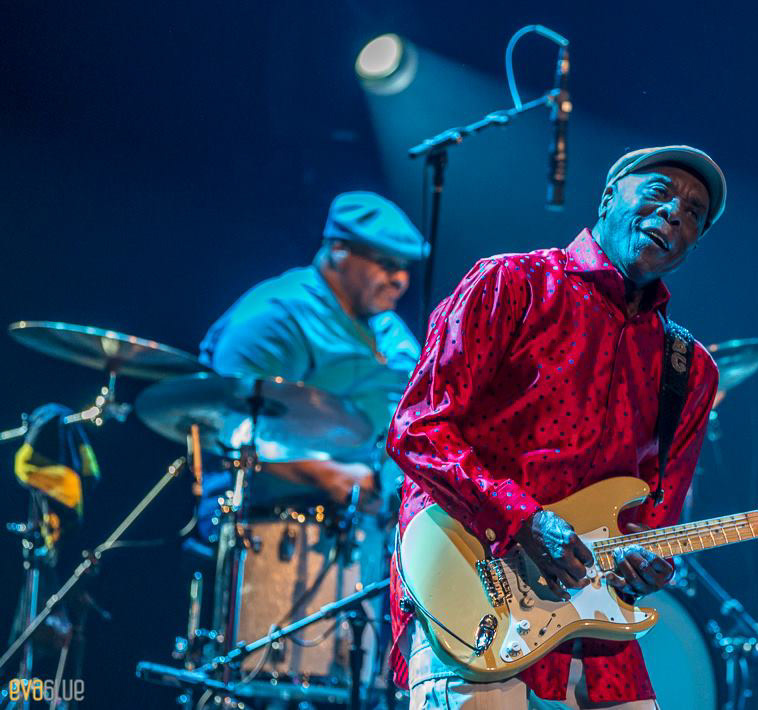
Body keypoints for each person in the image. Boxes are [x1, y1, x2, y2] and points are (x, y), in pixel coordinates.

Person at [386, 146, 726, 708]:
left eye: (694, 214)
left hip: (594, 628)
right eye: (661, 191)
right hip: (476, 584)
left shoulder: (687, 371)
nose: (675, 215)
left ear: (691, 247)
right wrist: (524, 518)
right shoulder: (510, 284)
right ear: (609, 196)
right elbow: (418, 429)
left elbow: (652, 518)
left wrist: (649, 563)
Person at [198, 190, 428, 512]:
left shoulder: (385, 325)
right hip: (269, 520)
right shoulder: (276, 315)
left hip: (369, 527)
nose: (401, 280)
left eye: (405, 267)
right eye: (387, 264)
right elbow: (223, 422)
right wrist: (328, 474)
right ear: (338, 250)